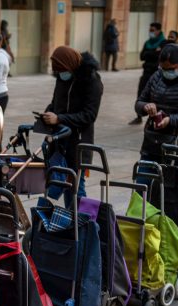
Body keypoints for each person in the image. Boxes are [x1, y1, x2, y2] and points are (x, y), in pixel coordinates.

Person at [41, 45, 103, 198]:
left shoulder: (91, 81)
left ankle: (81, 221)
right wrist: (48, 113)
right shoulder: (62, 78)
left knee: (75, 188)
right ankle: (68, 220)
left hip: (78, 143)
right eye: (58, 72)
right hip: (59, 141)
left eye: (62, 70)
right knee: (58, 185)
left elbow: (89, 115)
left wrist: (60, 118)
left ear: (70, 65)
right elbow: (55, 103)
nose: (61, 74)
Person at [130, 22, 166, 125]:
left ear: (158, 31)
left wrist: (150, 54)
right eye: (150, 30)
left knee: (156, 96)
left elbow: (158, 56)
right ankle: (139, 117)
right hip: (146, 72)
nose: (150, 32)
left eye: (152, 30)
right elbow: (142, 56)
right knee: (141, 94)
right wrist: (153, 52)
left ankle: (157, 118)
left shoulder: (163, 42)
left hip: (156, 73)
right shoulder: (147, 42)